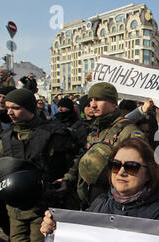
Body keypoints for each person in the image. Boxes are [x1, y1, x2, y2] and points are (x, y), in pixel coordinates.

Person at [0, 88, 80, 242]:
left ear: (30, 108)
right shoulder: (6, 138)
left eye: (16, 108)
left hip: (42, 205)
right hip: (15, 206)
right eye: (8, 108)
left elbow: (77, 158)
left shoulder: (54, 133)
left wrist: (67, 180)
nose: (10, 112)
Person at [40, 137, 159, 236]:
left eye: (131, 167)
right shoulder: (99, 205)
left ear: (149, 173)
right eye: (115, 165)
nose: (121, 172)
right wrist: (54, 228)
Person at [59, 82, 145, 210]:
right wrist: (68, 178)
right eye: (91, 100)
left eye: (98, 99)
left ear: (113, 103)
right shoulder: (96, 129)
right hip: (88, 202)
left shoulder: (128, 132)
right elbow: (83, 156)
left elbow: (140, 172)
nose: (93, 104)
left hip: (112, 206)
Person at [125, 98, 159, 203]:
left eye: (147, 132)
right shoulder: (127, 150)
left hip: (153, 200)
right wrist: (142, 110)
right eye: (141, 131)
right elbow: (122, 123)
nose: (143, 135)